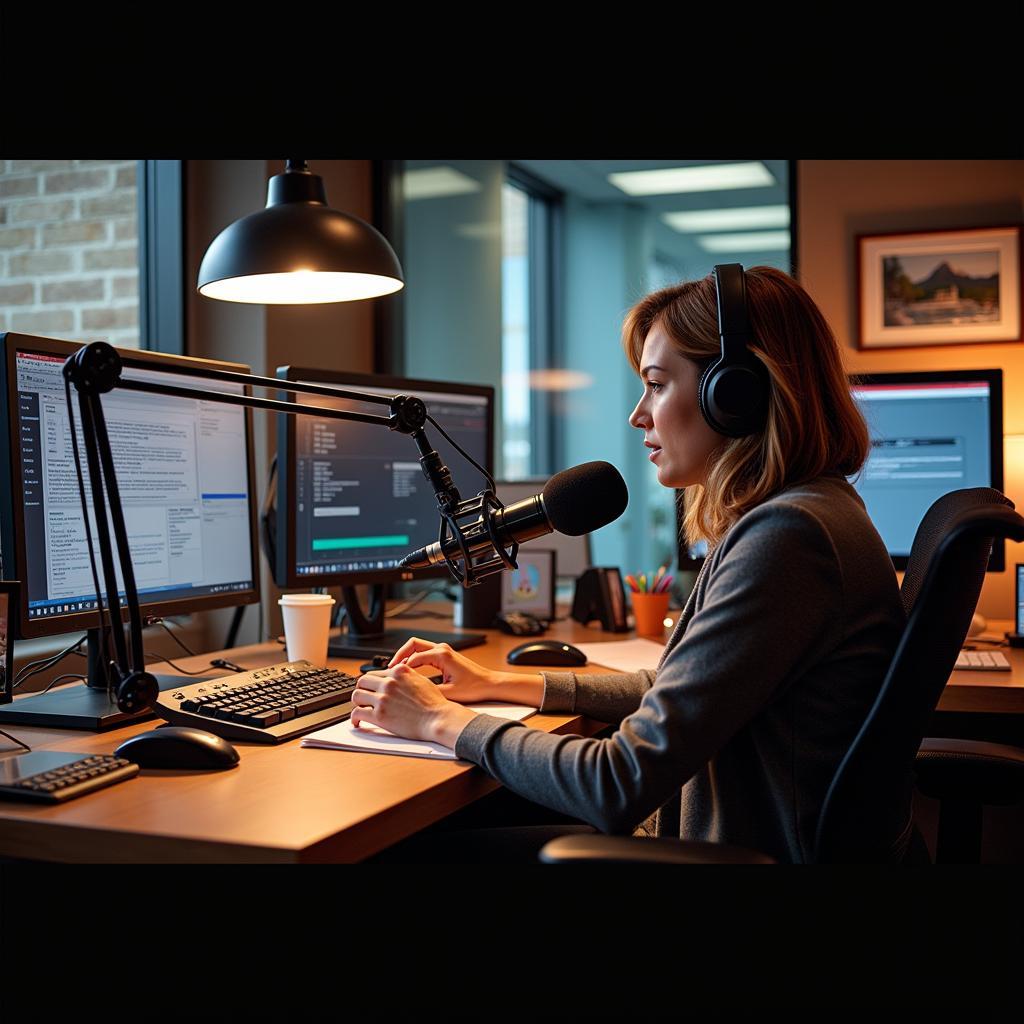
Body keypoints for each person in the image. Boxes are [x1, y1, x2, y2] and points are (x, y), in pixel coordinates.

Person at [351, 266, 906, 864]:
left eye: (658, 385)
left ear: (736, 394)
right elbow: (674, 692)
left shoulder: (789, 536)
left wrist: (441, 722)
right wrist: (501, 684)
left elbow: (619, 781)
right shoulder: (814, 510)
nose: (639, 415)